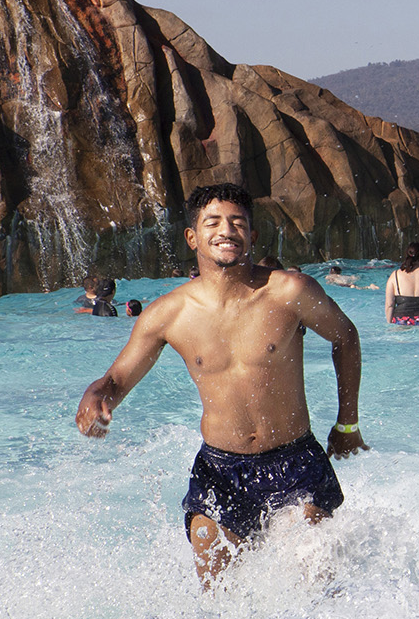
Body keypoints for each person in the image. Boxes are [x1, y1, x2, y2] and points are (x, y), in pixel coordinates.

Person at [75, 183, 366, 587]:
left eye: (237, 222)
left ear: (253, 235)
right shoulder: (168, 313)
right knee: (218, 594)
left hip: (295, 461)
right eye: (212, 222)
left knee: (316, 582)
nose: (226, 230)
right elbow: (115, 379)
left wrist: (347, 424)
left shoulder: (290, 291)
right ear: (192, 237)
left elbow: (345, 337)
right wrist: (96, 399)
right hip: (221, 470)